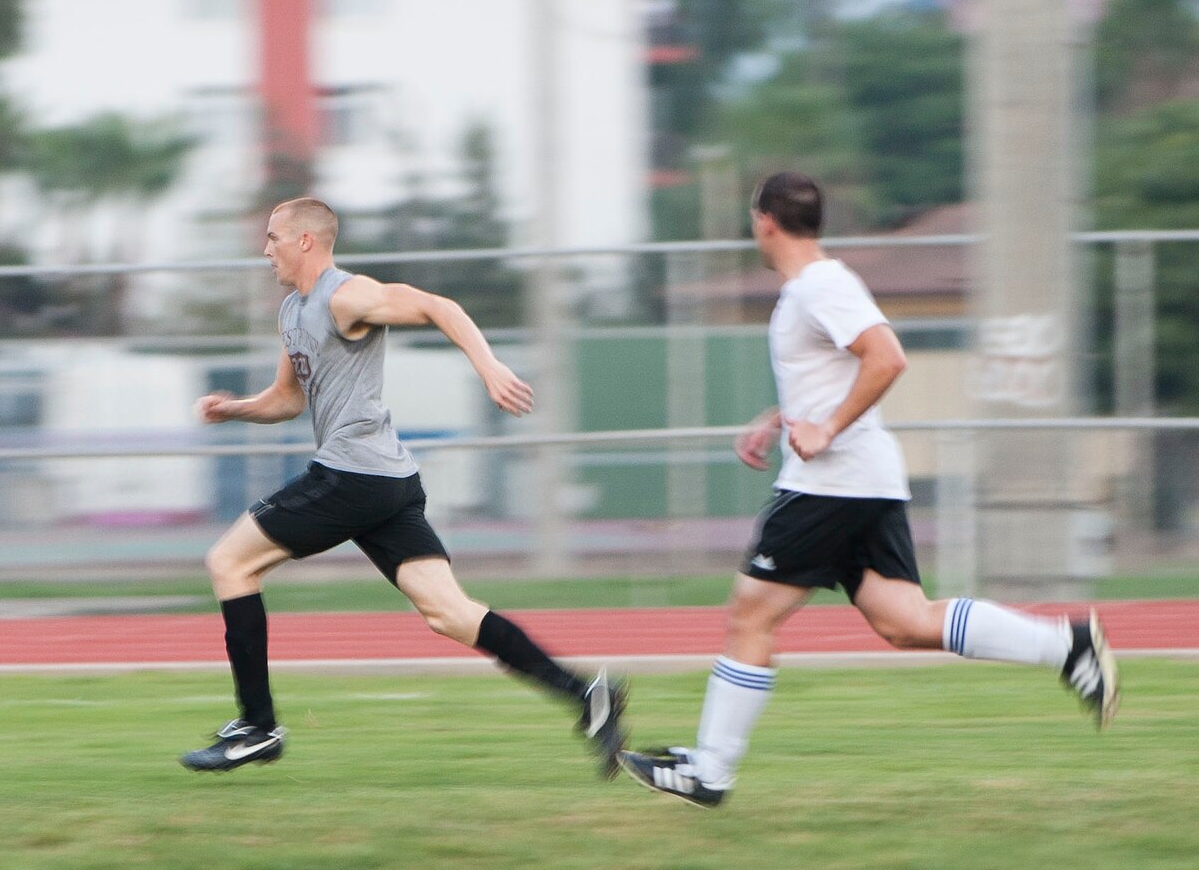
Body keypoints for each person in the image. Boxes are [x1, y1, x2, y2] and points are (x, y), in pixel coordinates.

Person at [616, 171, 1118, 809]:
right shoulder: (809, 289)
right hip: (861, 481)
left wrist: (826, 428)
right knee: (904, 623)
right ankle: (1066, 645)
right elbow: (831, 370)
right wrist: (779, 418)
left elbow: (887, 356)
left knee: (750, 614)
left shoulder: (821, 284)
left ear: (764, 220)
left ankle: (710, 771)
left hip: (832, 485)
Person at [179, 197, 627, 774]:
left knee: (229, 564)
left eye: (273, 238)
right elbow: (288, 399)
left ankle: (257, 728)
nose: (265, 250)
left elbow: (440, 306)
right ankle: (586, 696)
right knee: (450, 613)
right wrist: (233, 410)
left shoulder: (347, 295)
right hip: (387, 482)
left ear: (306, 241)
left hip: (352, 476)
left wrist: (489, 366)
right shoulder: (293, 311)